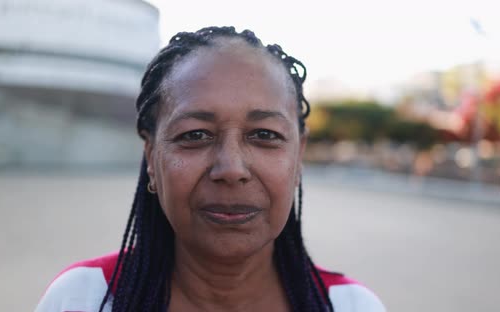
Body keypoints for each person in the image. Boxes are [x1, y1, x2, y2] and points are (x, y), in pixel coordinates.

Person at [35, 26, 386, 312]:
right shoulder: (82, 300)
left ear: (299, 157)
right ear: (152, 158)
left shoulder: (351, 306)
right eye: (195, 135)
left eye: (264, 135)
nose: (231, 169)